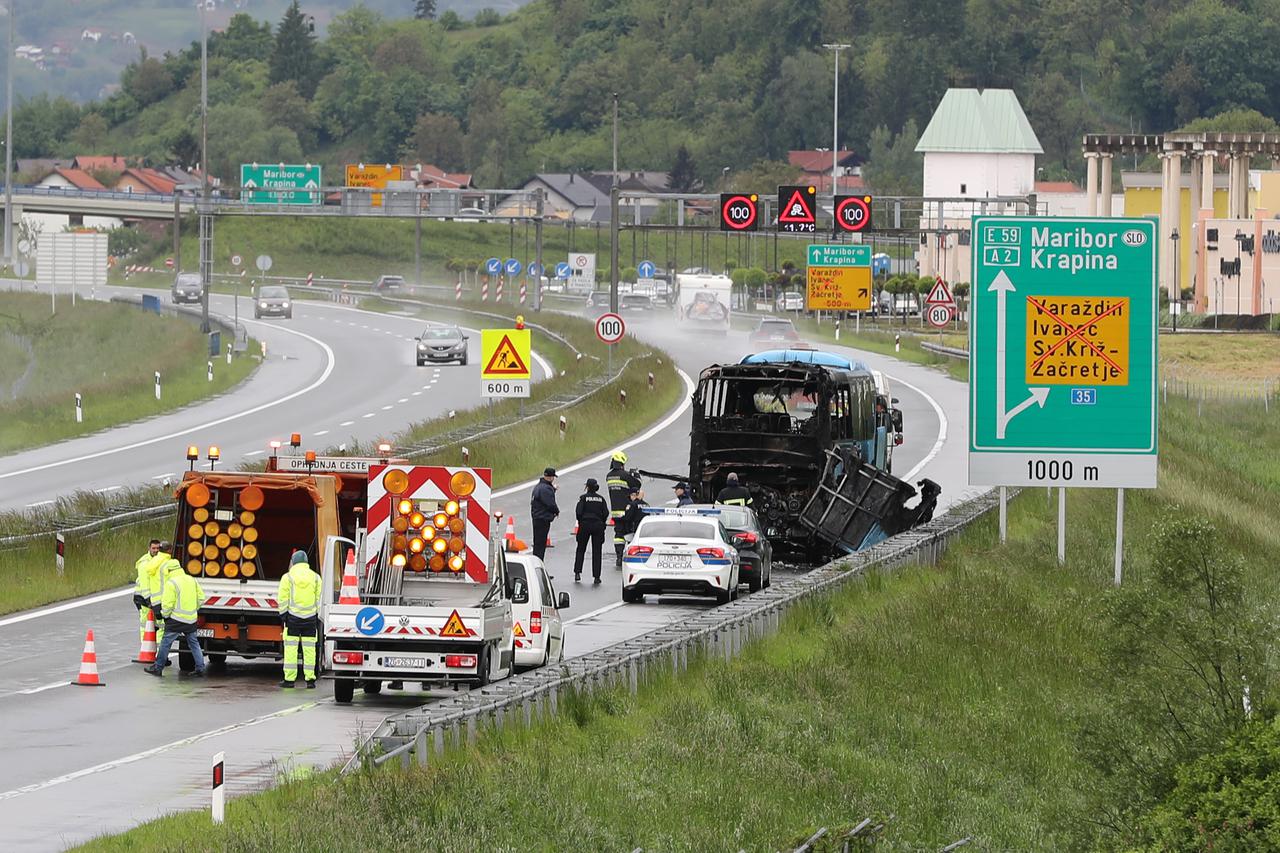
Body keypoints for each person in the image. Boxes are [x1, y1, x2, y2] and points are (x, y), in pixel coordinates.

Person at [144, 545, 206, 677]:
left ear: (169, 570)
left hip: (176, 620)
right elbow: (201, 597)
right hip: (191, 620)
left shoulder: (171, 583)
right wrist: (194, 610)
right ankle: (200, 668)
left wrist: (165, 615)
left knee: (166, 643)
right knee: (194, 644)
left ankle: (158, 667)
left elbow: (167, 604)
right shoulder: (191, 579)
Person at [277, 550, 321, 688]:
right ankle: (310, 680)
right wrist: (317, 616)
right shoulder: (315, 577)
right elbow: (319, 599)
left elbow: (283, 598)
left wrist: (284, 615)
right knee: (309, 649)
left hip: (293, 619)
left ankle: (289, 680)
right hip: (310, 619)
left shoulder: (287, 577)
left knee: (291, 649)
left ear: (293, 561)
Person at [606, 450, 640, 567]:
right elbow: (637, 485)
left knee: (618, 535)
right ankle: (629, 555)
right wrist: (635, 476)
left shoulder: (609, 476)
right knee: (630, 533)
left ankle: (619, 557)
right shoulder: (625, 475)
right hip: (627, 510)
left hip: (615, 512)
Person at [573, 478, 610, 583]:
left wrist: (581, 522)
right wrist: (601, 522)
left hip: (585, 525)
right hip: (598, 526)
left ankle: (577, 573)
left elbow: (578, 512)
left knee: (581, 549)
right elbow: (606, 513)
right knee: (597, 551)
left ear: (587, 487)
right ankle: (597, 577)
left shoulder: (583, 498)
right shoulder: (601, 499)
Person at [132, 539, 161, 644]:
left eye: (158, 548)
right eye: (153, 548)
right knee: (146, 623)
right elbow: (144, 583)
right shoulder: (145, 562)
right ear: (149, 549)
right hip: (143, 597)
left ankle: (155, 649)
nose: (156, 550)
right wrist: (148, 600)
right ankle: (145, 646)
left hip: (154, 597)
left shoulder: (159, 560)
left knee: (157, 624)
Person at [530, 467, 559, 561]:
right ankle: (538, 565)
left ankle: (536, 564)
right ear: (550, 477)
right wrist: (556, 511)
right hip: (543, 519)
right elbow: (550, 503)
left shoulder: (539, 486)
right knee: (541, 545)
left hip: (537, 518)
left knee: (537, 544)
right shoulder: (546, 489)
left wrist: (553, 490)